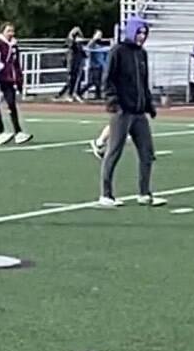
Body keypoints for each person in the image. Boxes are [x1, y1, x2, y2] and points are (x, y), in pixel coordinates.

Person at [98, 15, 165, 208]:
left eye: (144, 33)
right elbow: (108, 79)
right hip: (122, 111)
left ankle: (145, 193)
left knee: (147, 152)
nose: (142, 37)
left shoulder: (141, 54)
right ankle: (106, 194)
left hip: (138, 112)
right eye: (139, 32)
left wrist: (149, 105)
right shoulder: (118, 51)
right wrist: (113, 103)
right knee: (114, 151)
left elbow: (143, 83)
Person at [0, 23, 32, 143]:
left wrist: (19, 80)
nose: (11, 34)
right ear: (2, 32)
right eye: (8, 31)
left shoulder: (14, 45)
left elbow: (16, 64)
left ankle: (18, 132)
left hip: (8, 79)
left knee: (12, 104)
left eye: (12, 31)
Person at [57, 26, 86, 104]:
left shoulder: (79, 42)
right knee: (71, 79)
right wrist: (73, 40)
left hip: (77, 62)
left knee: (77, 78)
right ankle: (68, 94)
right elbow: (71, 47)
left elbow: (82, 51)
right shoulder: (71, 41)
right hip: (72, 62)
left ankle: (73, 94)